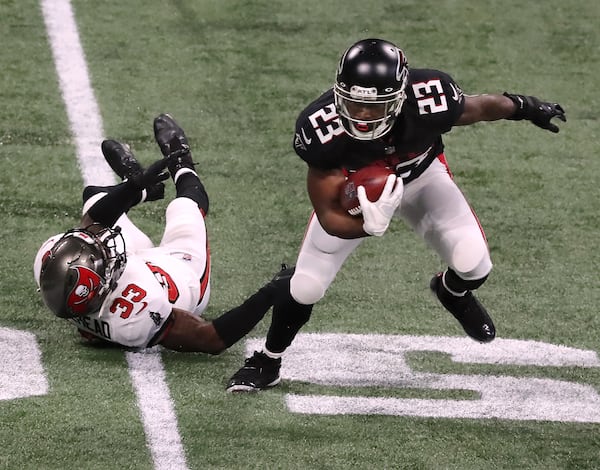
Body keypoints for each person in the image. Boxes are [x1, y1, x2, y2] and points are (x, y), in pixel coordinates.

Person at [226, 38, 566, 392]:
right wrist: (366, 224)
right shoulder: (320, 126)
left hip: (421, 177)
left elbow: (478, 108)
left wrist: (526, 106)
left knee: (475, 263)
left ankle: (452, 292)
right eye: (353, 104)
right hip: (355, 196)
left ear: (400, 97)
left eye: (374, 107)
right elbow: (328, 214)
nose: (361, 115)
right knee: (306, 285)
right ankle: (267, 360)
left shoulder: (429, 95)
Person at [34, 114, 289, 352]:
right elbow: (210, 339)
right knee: (184, 206)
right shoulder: (134, 317)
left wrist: (134, 187)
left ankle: (141, 185)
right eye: (103, 253)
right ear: (102, 287)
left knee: (94, 198)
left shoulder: (53, 267)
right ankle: (181, 162)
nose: (103, 244)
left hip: (134, 264)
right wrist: (269, 293)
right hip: (180, 272)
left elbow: (94, 220)